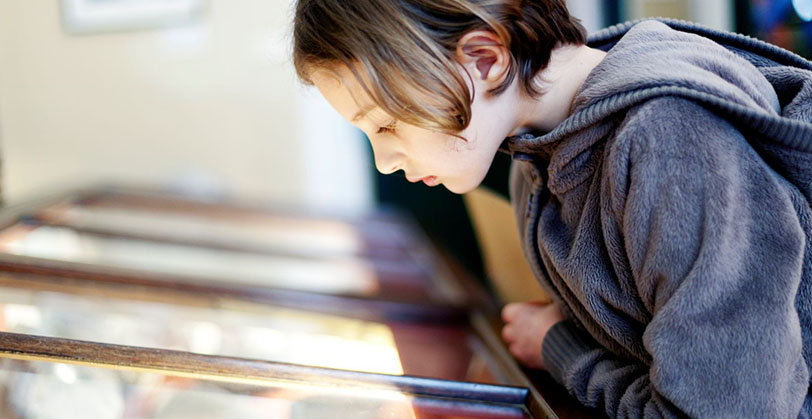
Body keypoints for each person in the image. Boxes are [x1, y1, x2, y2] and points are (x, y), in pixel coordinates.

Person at [292, 0, 812, 417]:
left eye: (386, 125)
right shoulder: (533, 160)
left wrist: (562, 351)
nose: (384, 162)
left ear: (485, 59)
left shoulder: (672, 142)